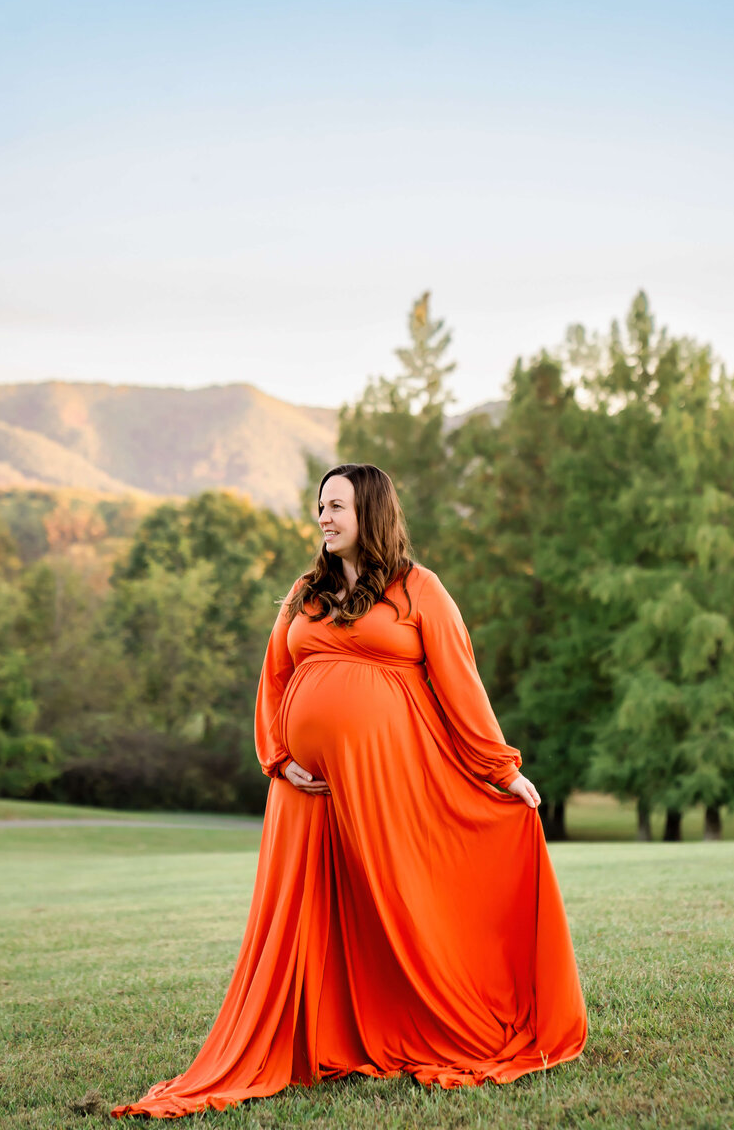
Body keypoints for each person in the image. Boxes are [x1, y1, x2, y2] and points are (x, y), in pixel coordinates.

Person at [111, 463, 587, 1120]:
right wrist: (278, 757)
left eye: (335, 506)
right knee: (305, 915)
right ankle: (318, 1036)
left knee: (397, 907)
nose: (323, 518)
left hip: (392, 784)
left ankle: (415, 1021)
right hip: (305, 793)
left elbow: (460, 687)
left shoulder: (420, 590)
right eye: (319, 506)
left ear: (371, 510)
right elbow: (275, 677)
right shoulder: (306, 590)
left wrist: (503, 770)